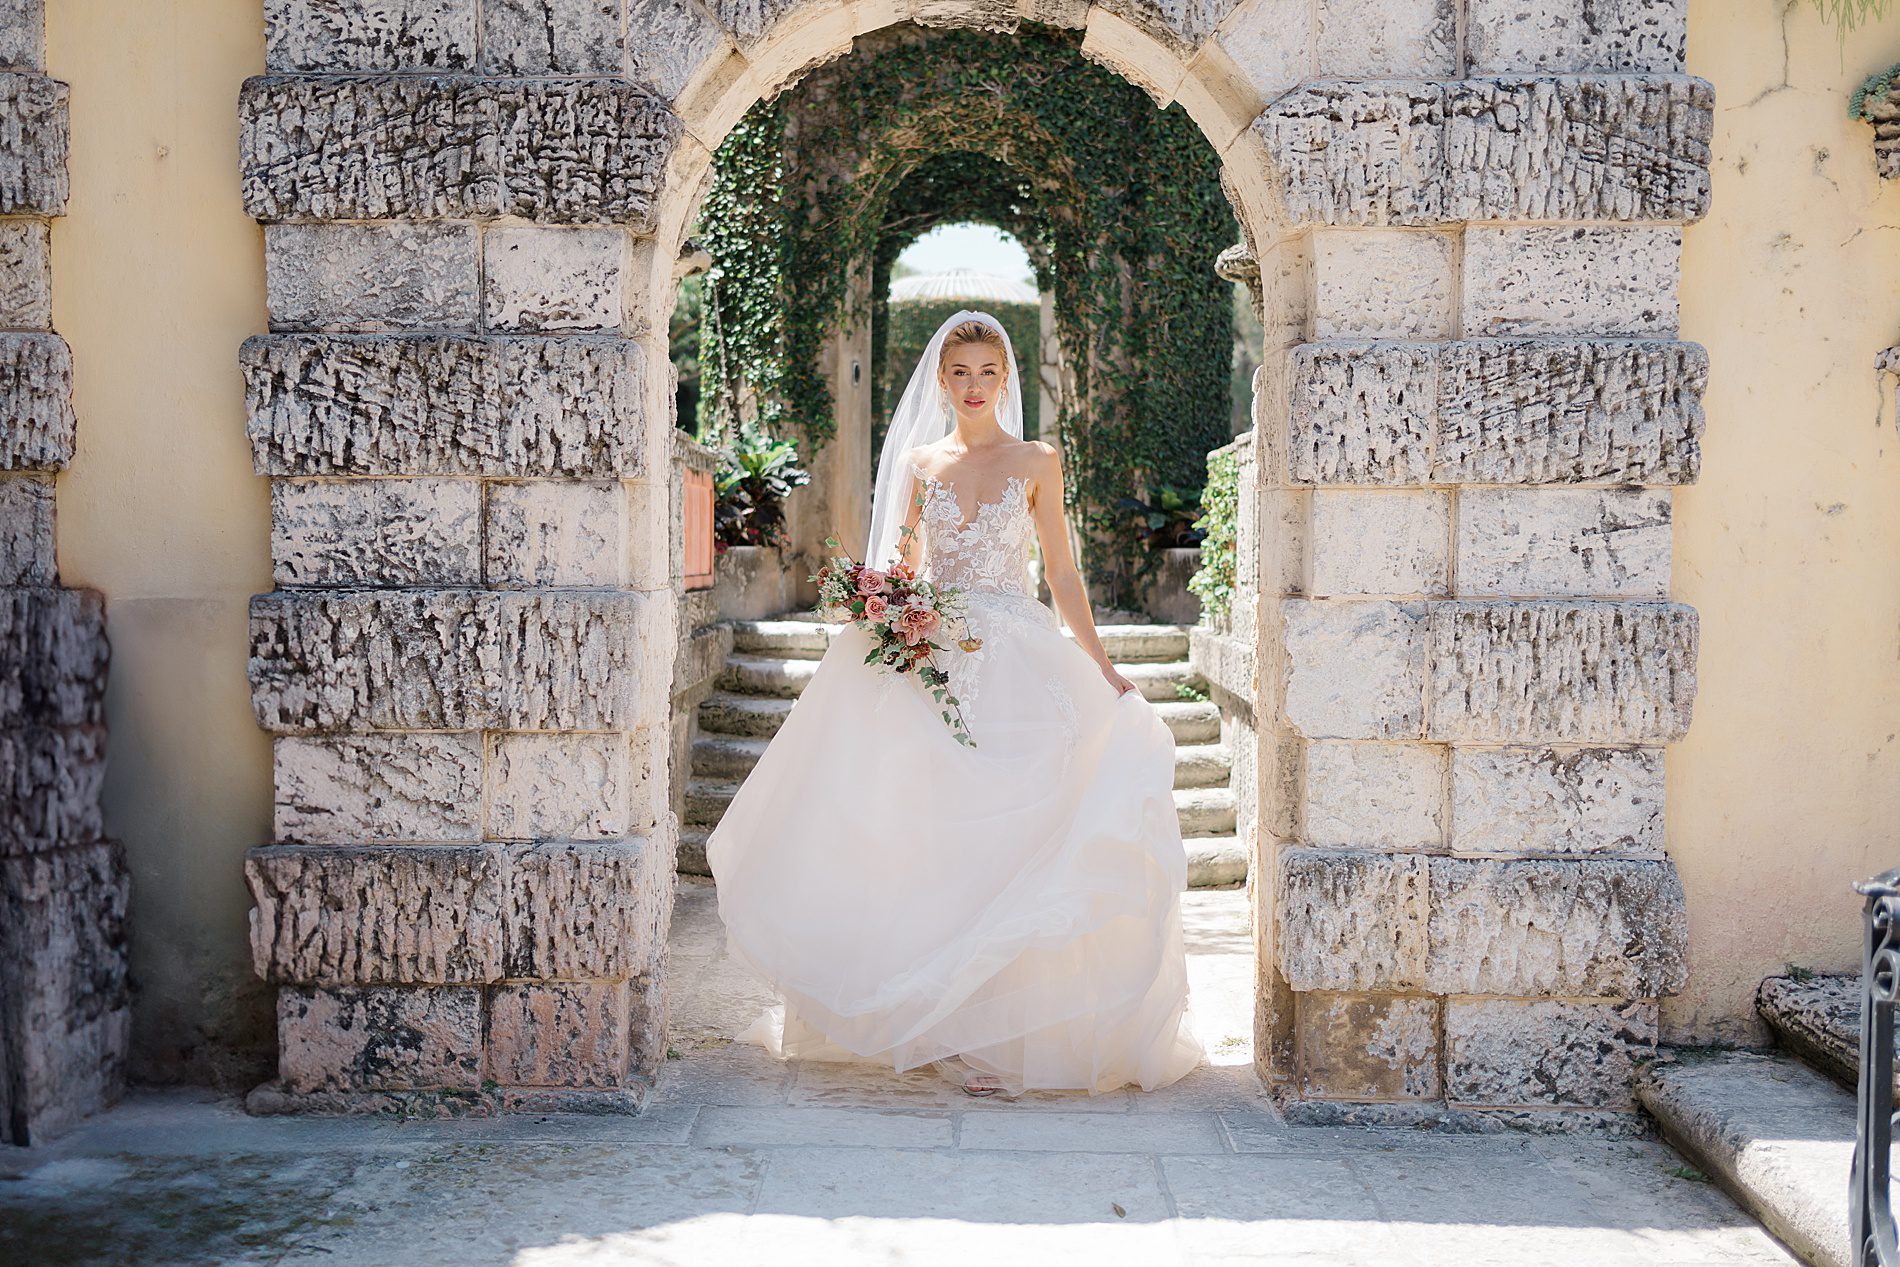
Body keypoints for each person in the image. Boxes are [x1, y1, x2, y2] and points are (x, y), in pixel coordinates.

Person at [705, 308, 1204, 1098]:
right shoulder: (918, 462)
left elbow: (1064, 574)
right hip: (929, 655)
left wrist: (1104, 668)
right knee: (924, 839)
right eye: (960, 373)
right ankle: (930, 1022)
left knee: (1017, 834)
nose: (974, 387)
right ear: (942, 379)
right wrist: (884, 611)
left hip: (1017, 657)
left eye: (988, 373)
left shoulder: (1038, 460)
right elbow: (900, 564)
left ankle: (1002, 1031)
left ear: (1006, 379)